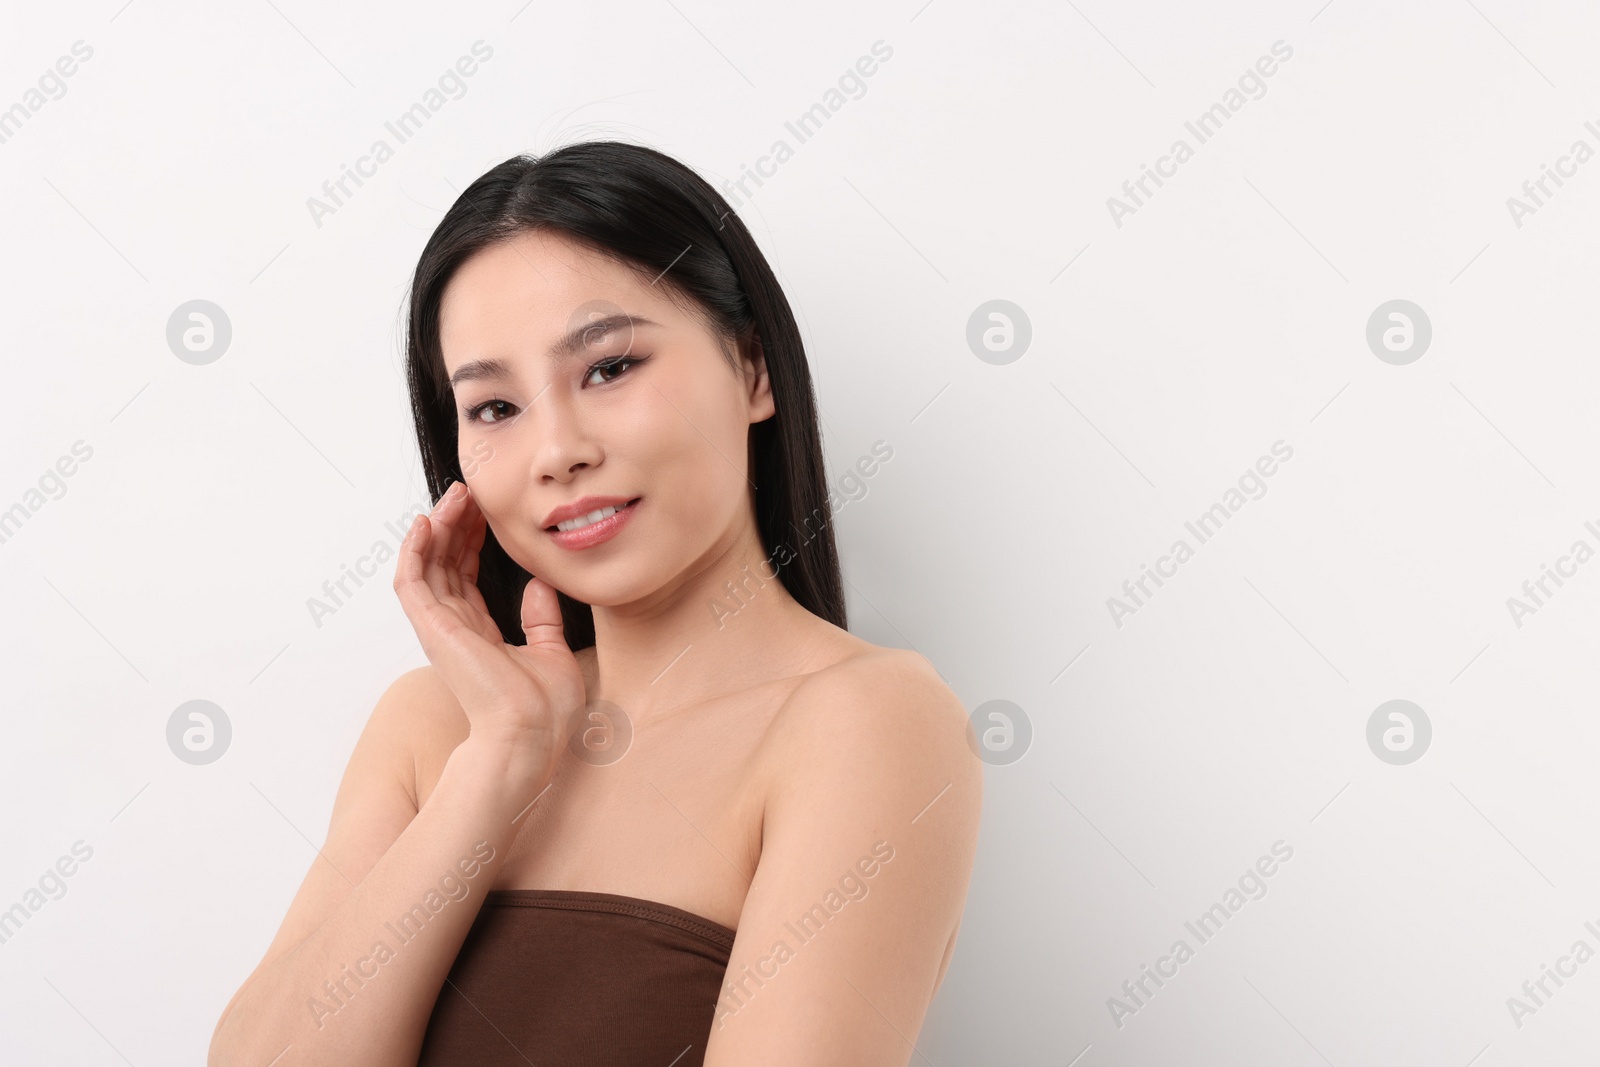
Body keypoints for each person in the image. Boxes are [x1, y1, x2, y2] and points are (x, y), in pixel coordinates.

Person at [209, 140, 982, 1066]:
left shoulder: (867, 720)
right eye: (495, 408)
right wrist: (497, 761)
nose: (556, 449)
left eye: (609, 368)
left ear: (753, 370)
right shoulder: (432, 729)